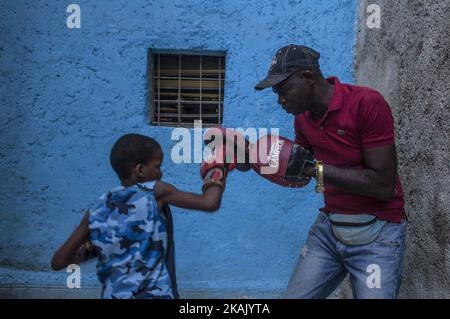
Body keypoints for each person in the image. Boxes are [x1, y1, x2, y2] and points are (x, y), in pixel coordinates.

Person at [248, 44, 407, 298]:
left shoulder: (366, 103)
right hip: (330, 229)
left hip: (378, 232)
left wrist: (312, 168)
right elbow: (299, 173)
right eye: (276, 93)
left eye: (284, 89)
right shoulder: (302, 118)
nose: (281, 100)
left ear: (308, 78)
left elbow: (382, 185)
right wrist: (251, 158)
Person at [51, 132, 234, 299]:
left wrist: (95, 249)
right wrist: (217, 166)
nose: (161, 172)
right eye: (157, 166)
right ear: (140, 170)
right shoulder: (155, 191)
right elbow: (210, 203)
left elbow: (58, 261)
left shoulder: (98, 208)